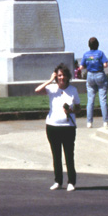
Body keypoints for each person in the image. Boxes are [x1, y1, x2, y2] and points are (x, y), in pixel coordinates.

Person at [35, 63, 78, 191]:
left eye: (63, 75)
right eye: (59, 75)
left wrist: (71, 111)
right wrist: (50, 80)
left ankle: (71, 181)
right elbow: (37, 90)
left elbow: (79, 108)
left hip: (68, 127)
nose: (61, 78)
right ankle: (58, 181)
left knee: (69, 156)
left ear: (67, 76)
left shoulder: (73, 90)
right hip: (53, 126)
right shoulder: (52, 89)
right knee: (56, 156)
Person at [80, 37, 108, 129]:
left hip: (90, 75)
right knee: (103, 100)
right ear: (98, 44)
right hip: (99, 74)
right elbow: (105, 65)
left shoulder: (86, 54)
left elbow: (81, 67)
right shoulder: (100, 53)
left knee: (90, 100)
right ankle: (105, 122)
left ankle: (89, 122)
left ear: (89, 45)